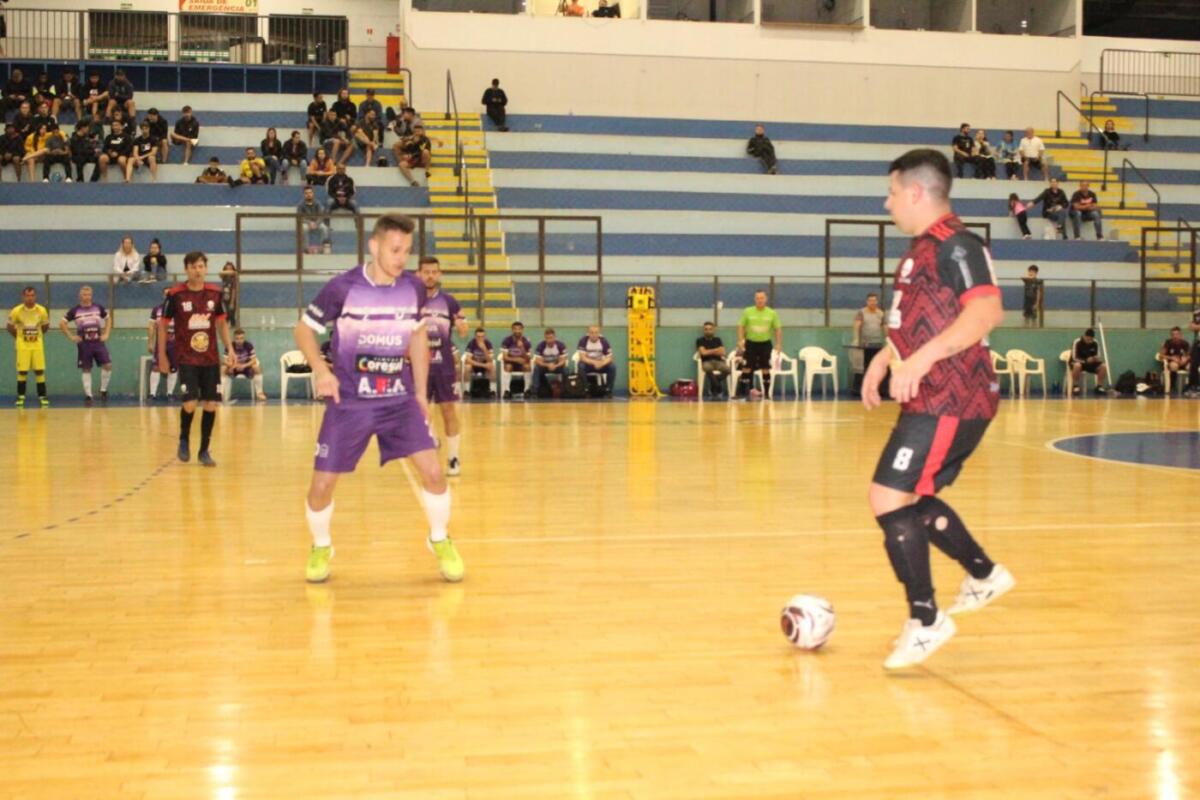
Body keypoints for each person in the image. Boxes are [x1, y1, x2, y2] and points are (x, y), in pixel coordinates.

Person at [861, 147, 1013, 670]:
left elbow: (985, 312)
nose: (887, 203)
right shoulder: (923, 249)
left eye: (891, 192)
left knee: (888, 496)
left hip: (954, 394)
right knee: (908, 497)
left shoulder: (958, 244)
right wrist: (885, 357)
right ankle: (984, 574)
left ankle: (926, 620)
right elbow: (922, 321)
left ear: (916, 192)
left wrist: (921, 360)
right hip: (933, 395)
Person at [293, 214, 463, 585]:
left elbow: (417, 335)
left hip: (398, 400)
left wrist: (420, 392)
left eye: (407, 250)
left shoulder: (413, 287)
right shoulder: (343, 288)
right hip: (350, 402)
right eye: (395, 250)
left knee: (434, 473)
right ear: (374, 246)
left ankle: (440, 538)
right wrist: (321, 370)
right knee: (321, 487)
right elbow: (304, 329)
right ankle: (321, 546)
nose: (402, 258)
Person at [159, 251, 236, 467]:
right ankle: (184, 439)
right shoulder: (175, 295)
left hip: (210, 359)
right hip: (187, 358)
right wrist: (162, 355)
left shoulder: (215, 293)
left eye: (201, 266)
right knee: (190, 403)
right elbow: (162, 326)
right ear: (186, 269)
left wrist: (230, 348)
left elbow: (221, 324)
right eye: (193, 267)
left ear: (206, 268)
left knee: (211, 404)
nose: (197, 270)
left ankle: (204, 450)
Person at [417, 255, 470, 476]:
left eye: (434, 272)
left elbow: (464, 330)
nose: (430, 276)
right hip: (418, 366)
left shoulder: (449, 301)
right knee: (419, 412)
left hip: (443, 366)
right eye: (426, 272)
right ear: (419, 274)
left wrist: (461, 325)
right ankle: (430, 438)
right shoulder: (410, 301)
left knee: (448, 410)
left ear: (439, 274)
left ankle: (453, 458)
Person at [59, 285, 112, 405]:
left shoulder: (98, 307)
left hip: (98, 342)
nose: (87, 297)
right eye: (84, 294)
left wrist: (106, 333)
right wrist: (71, 336)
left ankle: (103, 390)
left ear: (91, 296)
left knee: (107, 365)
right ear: (80, 296)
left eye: (89, 295)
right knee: (86, 368)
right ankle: (89, 395)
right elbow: (62, 323)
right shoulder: (75, 310)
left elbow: (108, 319)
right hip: (84, 344)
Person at [7, 286, 51, 408]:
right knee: (22, 370)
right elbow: (9, 326)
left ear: (35, 296)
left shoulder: (41, 310)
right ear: (23, 297)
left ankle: (42, 396)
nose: (30, 298)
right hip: (23, 346)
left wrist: (36, 336)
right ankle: (21, 397)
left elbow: (45, 326)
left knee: (39, 370)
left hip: (37, 345)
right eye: (27, 296)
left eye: (32, 295)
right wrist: (19, 337)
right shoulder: (16, 311)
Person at [736, 290, 781, 398]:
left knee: (765, 368)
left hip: (765, 344)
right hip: (751, 344)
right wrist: (740, 340)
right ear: (754, 299)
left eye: (762, 298)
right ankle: (742, 394)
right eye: (757, 298)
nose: (760, 300)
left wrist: (778, 343)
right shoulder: (748, 311)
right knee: (747, 367)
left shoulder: (772, 313)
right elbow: (741, 326)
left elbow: (778, 329)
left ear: (766, 299)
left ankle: (766, 394)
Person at [148, 287, 179, 400]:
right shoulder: (156, 310)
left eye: (169, 294)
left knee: (173, 368)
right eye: (166, 294)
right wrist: (150, 342)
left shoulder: (178, 310)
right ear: (163, 296)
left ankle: (169, 393)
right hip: (160, 343)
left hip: (174, 344)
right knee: (156, 367)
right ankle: (152, 394)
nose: (167, 296)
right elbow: (151, 327)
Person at [853, 292, 887, 397]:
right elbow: (857, 326)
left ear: (877, 301)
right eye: (870, 300)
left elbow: (885, 327)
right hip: (865, 344)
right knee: (865, 367)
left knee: (877, 366)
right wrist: (856, 339)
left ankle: (878, 389)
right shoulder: (861, 312)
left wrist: (888, 339)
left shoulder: (881, 313)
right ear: (867, 302)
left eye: (874, 300)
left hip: (878, 344)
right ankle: (863, 390)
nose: (873, 302)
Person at [222, 328, 267, 402]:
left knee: (256, 368)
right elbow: (224, 360)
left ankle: (259, 393)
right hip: (233, 368)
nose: (239, 340)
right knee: (223, 368)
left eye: (241, 338)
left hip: (246, 368)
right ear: (234, 338)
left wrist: (244, 365)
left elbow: (254, 360)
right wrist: (233, 365)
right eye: (237, 338)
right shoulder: (230, 346)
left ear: (244, 338)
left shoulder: (248, 345)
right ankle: (221, 393)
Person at [577, 325, 616, 396]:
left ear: (599, 333)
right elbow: (582, 357)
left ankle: (608, 390)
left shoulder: (604, 341)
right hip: (589, 365)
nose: (594, 335)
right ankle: (586, 389)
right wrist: (594, 362)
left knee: (612, 367)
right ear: (588, 333)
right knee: (581, 365)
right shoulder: (583, 340)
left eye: (596, 332)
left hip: (601, 365)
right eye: (591, 332)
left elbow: (610, 358)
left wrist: (602, 363)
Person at [1070, 328, 1109, 395]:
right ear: (1084, 336)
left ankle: (1099, 387)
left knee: (1103, 366)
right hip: (1079, 362)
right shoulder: (1077, 342)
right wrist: (1085, 361)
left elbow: (1098, 355)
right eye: (1088, 339)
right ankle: (1075, 386)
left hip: (1091, 363)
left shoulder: (1095, 343)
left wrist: (1095, 359)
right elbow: (1074, 357)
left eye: (1091, 340)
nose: (1089, 341)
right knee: (1077, 365)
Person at [695, 321, 728, 399]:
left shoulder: (718, 340)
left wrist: (708, 351)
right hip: (706, 362)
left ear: (713, 330)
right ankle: (718, 386)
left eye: (710, 329)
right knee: (707, 368)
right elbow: (703, 353)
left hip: (718, 361)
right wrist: (716, 350)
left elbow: (723, 352)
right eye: (706, 329)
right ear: (704, 330)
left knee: (728, 370)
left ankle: (715, 383)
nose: (708, 331)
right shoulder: (700, 340)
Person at [500, 321, 533, 398]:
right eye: (515, 329)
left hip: (522, 364)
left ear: (522, 330)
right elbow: (505, 357)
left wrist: (522, 348)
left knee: (527, 366)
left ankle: (527, 390)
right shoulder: (506, 340)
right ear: (512, 330)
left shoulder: (526, 341)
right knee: (508, 366)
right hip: (510, 363)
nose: (517, 331)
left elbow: (528, 359)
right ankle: (507, 391)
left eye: (519, 329)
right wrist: (516, 359)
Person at [532, 329, 569, 395]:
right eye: (547, 338)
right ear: (545, 338)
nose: (549, 340)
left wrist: (555, 365)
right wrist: (547, 365)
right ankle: (535, 391)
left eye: (551, 338)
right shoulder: (540, 345)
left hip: (557, 366)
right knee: (536, 368)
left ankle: (565, 391)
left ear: (555, 337)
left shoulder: (561, 345)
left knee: (565, 369)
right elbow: (537, 361)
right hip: (545, 366)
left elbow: (563, 360)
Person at [463, 327, 497, 397]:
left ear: (485, 336)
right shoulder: (471, 343)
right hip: (475, 364)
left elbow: (490, 360)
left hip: (485, 364)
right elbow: (468, 360)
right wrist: (483, 365)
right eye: (478, 337)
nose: (480, 338)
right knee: (467, 367)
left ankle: (492, 391)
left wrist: (484, 349)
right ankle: (466, 391)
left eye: (482, 336)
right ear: (475, 336)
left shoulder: (488, 344)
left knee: (492, 367)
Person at [297, 185, 332, 254]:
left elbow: (321, 216)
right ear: (304, 194)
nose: (308, 195)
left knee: (324, 228)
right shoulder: (300, 205)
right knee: (304, 228)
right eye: (306, 193)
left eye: (310, 193)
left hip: (317, 223)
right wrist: (309, 223)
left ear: (313, 193)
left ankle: (322, 249)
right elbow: (299, 217)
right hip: (306, 223)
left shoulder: (318, 203)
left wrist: (316, 223)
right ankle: (306, 249)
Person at [396, 123, 432, 187]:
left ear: (422, 132)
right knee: (401, 164)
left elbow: (421, 151)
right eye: (415, 132)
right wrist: (407, 142)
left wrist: (411, 155)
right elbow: (405, 147)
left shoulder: (425, 140)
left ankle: (427, 171)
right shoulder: (411, 139)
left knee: (426, 152)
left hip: (421, 159)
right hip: (413, 160)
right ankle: (413, 181)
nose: (417, 133)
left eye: (418, 131)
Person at [98, 118, 132, 183]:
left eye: (116, 125)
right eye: (113, 125)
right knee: (102, 158)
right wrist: (110, 153)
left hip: (122, 155)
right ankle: (104, 178)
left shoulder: (127, 137)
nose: (114, 127)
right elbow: (105, 148)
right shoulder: (109, 137)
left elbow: (128, 148)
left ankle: (126, 178)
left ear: (121, 126)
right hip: (111, 156)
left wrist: (118, 154)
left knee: (121, 160)